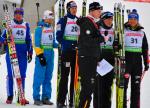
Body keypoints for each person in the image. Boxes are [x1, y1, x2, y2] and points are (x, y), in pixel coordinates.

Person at [0, 8, 33, 104]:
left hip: (22, 53)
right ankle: (10, 95)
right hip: (11, 51)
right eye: (16, 13)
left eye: (20, 14)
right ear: (14, 15)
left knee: (22, 75)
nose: (18, 15)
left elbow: (28, 39)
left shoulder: (25, 25)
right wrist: (5, 41)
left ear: (22, 15)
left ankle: (21, 96)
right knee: (11, 74)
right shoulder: (9, 24)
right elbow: (2, 37)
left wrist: (30, 52)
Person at [76, 2, 106, 108]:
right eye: (98, 11)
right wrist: (102, 39)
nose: (100, 13)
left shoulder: (92, 22)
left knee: (89, 88)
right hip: (87, 59)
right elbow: (87, 41)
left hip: (90, 58)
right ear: (92, 11)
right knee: (88, 88)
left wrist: (96, 57)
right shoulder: (86, 22)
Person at [123, 9, 149, 108]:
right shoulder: (124, 30)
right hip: (126, 62)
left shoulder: (142, 33)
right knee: (124, 87)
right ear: (128, 19)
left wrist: (146, 62)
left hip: (137, 63)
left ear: (137, 20)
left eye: (134, 18)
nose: (132, 20)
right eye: (130, 18)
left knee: (136, 88)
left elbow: (145, 49)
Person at [56, 1, 79, 107]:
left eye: (75, 8)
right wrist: (69, 44)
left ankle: (72, 100)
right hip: (67, 52)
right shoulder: (63, 20)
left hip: (77, 53)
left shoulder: (79, 20)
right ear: (68, 9)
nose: (74, 10)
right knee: (65, 76)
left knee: (75, 77)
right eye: (72, 8)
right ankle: (61, 101)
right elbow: (58, 37)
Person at [33, 10, 57, 106]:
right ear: (45, 18)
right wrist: (40, 55)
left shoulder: (51, 28)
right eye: (50, 18)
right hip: (42, 55)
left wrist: (59, 45)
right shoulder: (39, 29)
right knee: (39, 77)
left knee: (48, 76)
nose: (51, 20)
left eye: (52, 18)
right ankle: (36, 98)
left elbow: (53, 43)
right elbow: (36, 44)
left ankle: (46, 97)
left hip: (50, 54)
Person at [94, 11, 114, 108]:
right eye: (108, 19)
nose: (110, 21)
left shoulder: (114, 30)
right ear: (103, 19)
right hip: (99, 59)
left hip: (110, 60)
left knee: (108, 86)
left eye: (111, 19)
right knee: (98, 87)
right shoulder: (97, 28)